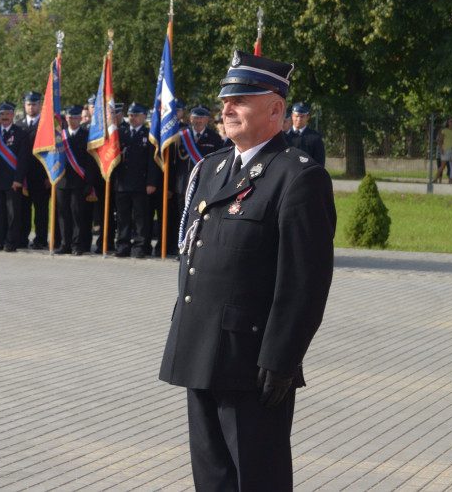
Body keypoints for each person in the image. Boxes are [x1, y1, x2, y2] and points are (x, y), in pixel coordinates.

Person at [160, 50, 335, 491]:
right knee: (212, 480)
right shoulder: (213, 167)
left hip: (251, 363)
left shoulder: (297, 177)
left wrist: (281, 359)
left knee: (257, 480)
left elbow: (304, 284)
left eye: (241, 98)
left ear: (276, 108)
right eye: (225, 99)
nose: (227, 108)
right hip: (200, 350)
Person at [114, 103, 159, 258]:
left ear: (144, 117)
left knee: (141, 218)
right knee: (122, 218)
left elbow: (152, 162)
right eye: (131, 115)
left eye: (136, 115)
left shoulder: (149, 135)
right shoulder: (121, 132)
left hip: (141, 183)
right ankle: (123, 245)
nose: (133, 118)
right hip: (122, 183)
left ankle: (140, 246)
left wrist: (151, 182)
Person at [0, 101, 26, 252]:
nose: (5, 117)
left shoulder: (20, 133)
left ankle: (11, 242)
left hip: (12, 180)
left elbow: (22, 159)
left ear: (13, 115)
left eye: (8, 114)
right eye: (2, 114)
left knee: (12, 214)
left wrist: (18, 179)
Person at [56, 105, 93, 255]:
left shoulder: (86, 136)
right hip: (62, 181)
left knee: (78, 214)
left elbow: (90, 162)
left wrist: (89, 182)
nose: (73, 120)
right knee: (63, 214)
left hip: (79, 182)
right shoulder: (59, 137)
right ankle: (65, 244)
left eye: (76, 118)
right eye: (70, 118)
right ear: (66, 118)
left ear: (80, 119)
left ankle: (77, 245)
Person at [19, 90, 51, 250]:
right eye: (29, 104)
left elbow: (51, 153)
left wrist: (49, 176)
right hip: (23, 176)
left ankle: (41, 239)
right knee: (23, 210)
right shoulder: (19, 125)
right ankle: (22, 238)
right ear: (25, 106)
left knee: (41, 211)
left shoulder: (46, 125)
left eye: (34, 104)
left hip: (40, 175)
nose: (31, 107)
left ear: (40, 105)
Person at [285, 101, 325, 166]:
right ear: (292, 115)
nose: (299, 119)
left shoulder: (315, 137)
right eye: (296, 116)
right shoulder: (284, 136)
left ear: (308, 117)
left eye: (302, 117)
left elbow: (319, 163)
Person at [436, 117, 452, 184]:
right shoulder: (444, 131)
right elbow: (440, 140)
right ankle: (435, 179)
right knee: (443, 166)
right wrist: (440, 149)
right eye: (450, 121)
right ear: (448, 123)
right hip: (446, 150)